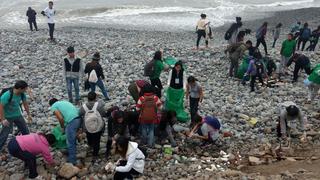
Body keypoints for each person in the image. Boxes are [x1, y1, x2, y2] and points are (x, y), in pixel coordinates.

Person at [0, 80, 32, 155]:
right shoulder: (7, 95)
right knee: (4, 134)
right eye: (25, 89)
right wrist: (3, 119)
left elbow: (25, 104)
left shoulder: (22, 94)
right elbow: (0, 106)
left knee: (25, 130)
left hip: (17, 115)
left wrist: (29, 114)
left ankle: (28, 144)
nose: (26, 90)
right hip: (7, 117)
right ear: (20, 88)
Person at [49, 98, 81, 165]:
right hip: (79, 118)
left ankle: (72, 161)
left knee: (70, 142)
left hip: (72, 121)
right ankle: (72, 151)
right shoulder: (64, 102)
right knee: (72, 138)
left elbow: (60, 118)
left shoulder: (54, 106)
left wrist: (62, 127)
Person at [79, 92, 107, 158]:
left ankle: (90, 146)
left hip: (87, 127)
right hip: (98, 126)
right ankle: (95, 155)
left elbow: (79, 114)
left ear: (87, 98)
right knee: (97, 141)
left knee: (89, 137)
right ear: (95, 98)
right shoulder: (99, 105)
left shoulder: (84, 106)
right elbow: (103, 114)